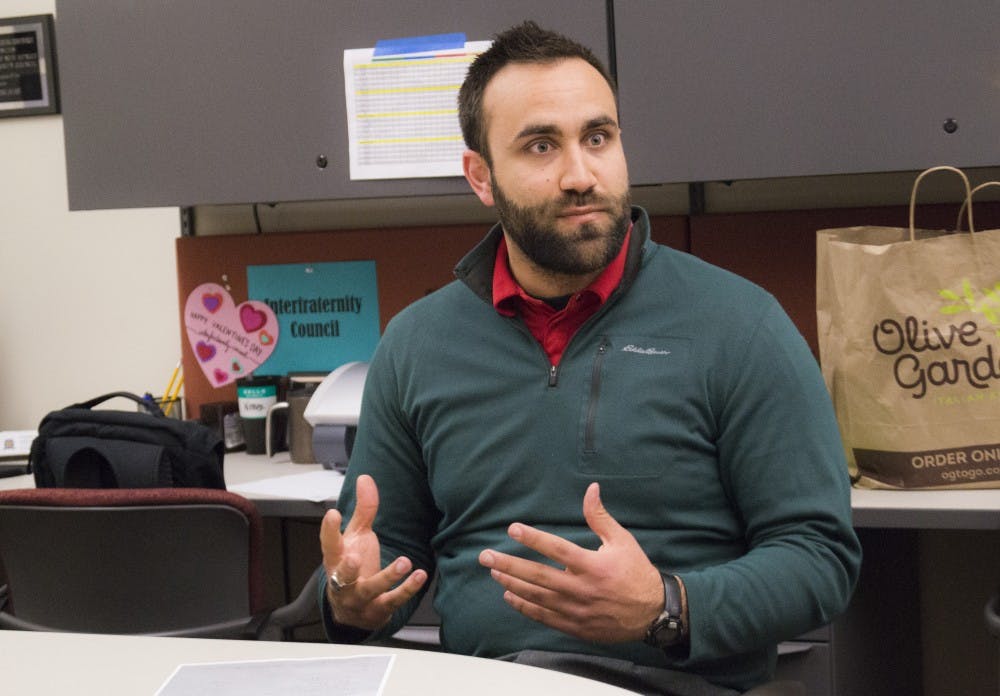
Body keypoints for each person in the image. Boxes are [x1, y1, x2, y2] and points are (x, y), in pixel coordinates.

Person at [318, 20, 861, 696]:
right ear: (481, 176)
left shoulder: (740, 325)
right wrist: (350, 597)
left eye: (597, 138)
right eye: (541, 146)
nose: (581, 175)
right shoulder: (418, 343)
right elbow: (378, 558)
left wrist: (665, 605)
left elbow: (819, 558)